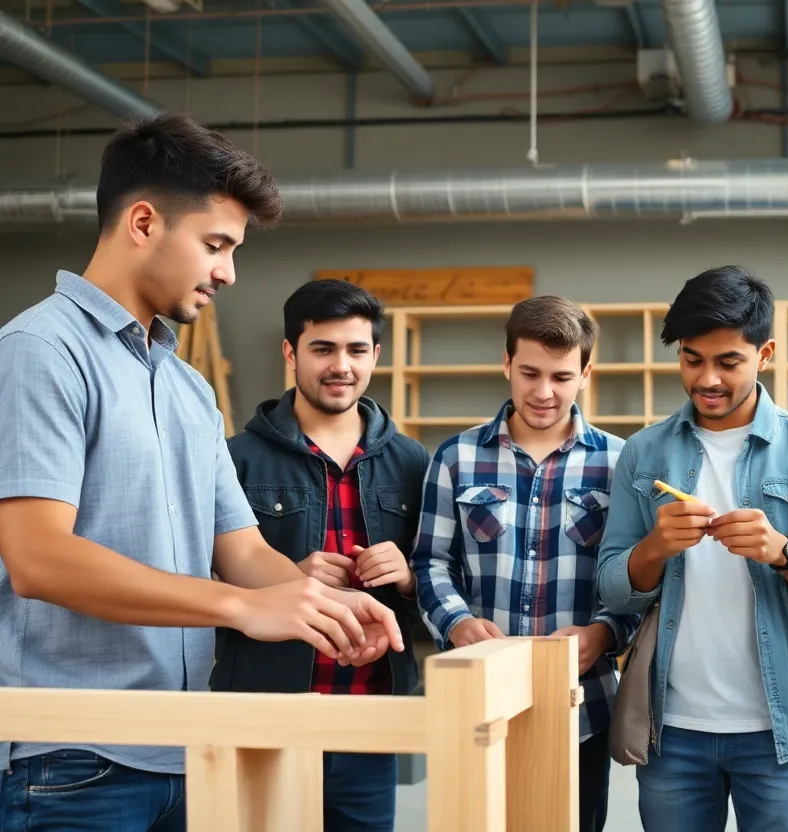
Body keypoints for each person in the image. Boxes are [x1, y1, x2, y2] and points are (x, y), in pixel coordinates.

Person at [0, 113, 403, 832]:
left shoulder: (187, 387)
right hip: (73, 760)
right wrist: (237, 607)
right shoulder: (40, 351)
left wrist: (323, 606)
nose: (228, 272)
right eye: (216, 244)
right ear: (145, 222)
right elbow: (38, 558)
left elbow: (239, 548)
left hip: (185, 747)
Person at [596, 265, 788, 832]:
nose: (707, 379)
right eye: (693, 360)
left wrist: (783, 552)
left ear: (764, 353)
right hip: (672, 730)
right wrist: (654, 548)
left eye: (728, 362)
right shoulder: (642, 454)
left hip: (779, 729)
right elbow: (612, 586)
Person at [410, 295, 637, 832]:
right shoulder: (456, 458)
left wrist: (604, 634)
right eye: (529, 372)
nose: (543, 392)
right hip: (476, 701)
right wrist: (457, 623)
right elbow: (430, 563)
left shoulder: (621, 462)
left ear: (585, 373)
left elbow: (635, 579)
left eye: (561, 376)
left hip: (582, 708)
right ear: (506, 363)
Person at [212, 279, 430, 831]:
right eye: (322, 349)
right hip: (265, 712)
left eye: (357, 350)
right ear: (290, 353)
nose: (342, 365)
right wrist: (281, 578)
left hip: (370, 718)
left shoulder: (415, 462)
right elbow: (196, 583)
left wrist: (407, 578)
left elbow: (445, 581)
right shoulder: (234, 460)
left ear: (376, 355)